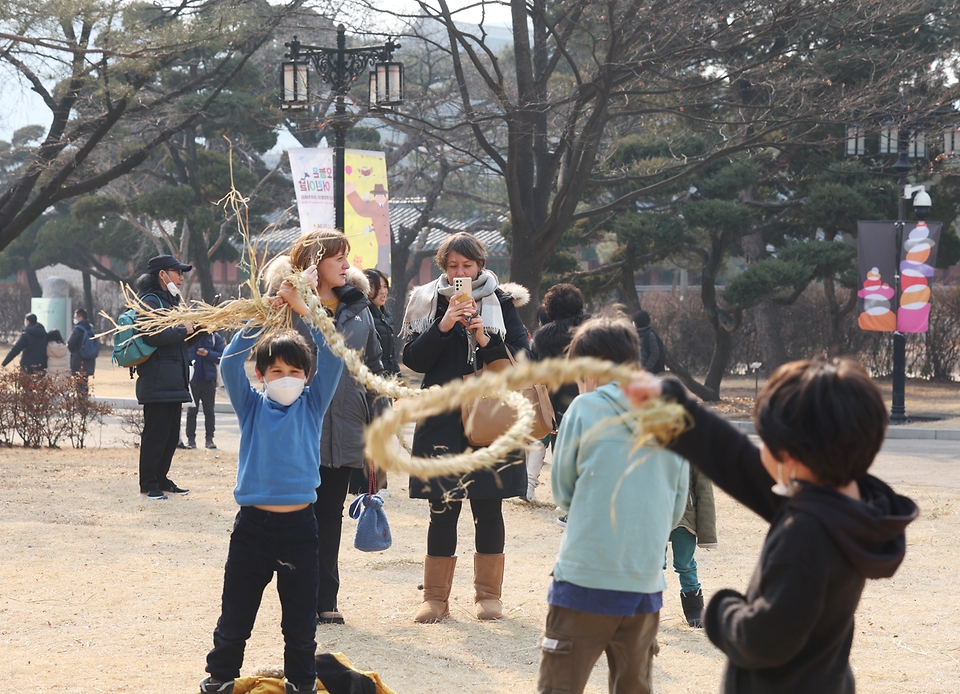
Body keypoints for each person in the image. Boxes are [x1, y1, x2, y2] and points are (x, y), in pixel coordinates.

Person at [623, 359, 919, 693]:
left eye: (764, 441)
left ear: (789, 458)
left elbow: (763, 640)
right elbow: (739, 464)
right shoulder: (848, 506)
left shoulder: (807, 536)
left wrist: (722, 609)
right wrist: (670, 406)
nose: (758, 449)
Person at [200, 270, 343, 694]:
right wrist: (262, 315)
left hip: (300, 529)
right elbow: (229, 362)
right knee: (235, 613)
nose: (285, 378)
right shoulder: (252, 407)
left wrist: (306, 311)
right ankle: (220, 678)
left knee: (299, 621)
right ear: (261, 375)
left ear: (307, 377)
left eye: (294, 371)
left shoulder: (313, 404)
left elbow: (334, 354)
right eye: (275, 370)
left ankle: (301, 684)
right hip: (252, 530)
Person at [535, 316, 689, 694]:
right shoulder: (671, 414)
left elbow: (562, 491)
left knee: (560, 686)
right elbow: (677, 503)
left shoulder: (584, 409)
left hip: (584, 580)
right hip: (644, 582)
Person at [401, 231, 530, 623]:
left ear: (480, 266)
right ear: (443, 268)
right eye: (452, 266)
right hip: (442, 417)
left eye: (467, 265)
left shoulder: (500, 302)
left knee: (488, 507)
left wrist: (483, 335)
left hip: (490, 416)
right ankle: (435, 599)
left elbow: (522, 359)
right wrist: (442, 326)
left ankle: (489, 596)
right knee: (442, 507)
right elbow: (412, 360)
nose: (460, 272)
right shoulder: (426, 300)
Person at [287, 229, 383, 627]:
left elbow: (374, 364)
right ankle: (296, 598)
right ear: (314, 262)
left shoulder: (359, 308)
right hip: (302, 428)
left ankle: (326, 599)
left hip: (346, 425)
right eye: (338, 258)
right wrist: (297, 302)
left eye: (348, 258)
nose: (348, 266)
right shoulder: (287, 305)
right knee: (296, 518)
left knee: (329, 517)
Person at [135, 254, 199, 500]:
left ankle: (161, 479)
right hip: (157, 380)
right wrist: (184, 328)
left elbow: (181, 339)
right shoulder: (150, 302)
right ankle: (147, 484)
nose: (181, 278)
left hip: (173, 380)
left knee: (171, 436)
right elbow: (151, 336)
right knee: (156, 435)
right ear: (162, 274)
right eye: (177, 272)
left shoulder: (172, 302)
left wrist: (202, 327)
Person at [527, 283, 591, 502]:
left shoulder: (541, 339)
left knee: (562, 455)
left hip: (556, 406)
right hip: (593, 402)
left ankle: (565, 500)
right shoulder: (596, 331)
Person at [667, 466, 717, 628]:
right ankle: (646, 608)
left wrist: (707, 534)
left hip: (684, 516)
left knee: (685, 564)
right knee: (652, 563)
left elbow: (705, 491)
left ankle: (694, 608)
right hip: (654, 514)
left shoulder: (691, 449)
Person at [185, 330, 226, 449]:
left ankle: (209, 439)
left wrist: (208, 354)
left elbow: (222, 356)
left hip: (209, 381)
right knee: (191, 411)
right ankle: (191, 440)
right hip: (193, 380)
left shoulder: (214, 337)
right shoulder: (190, 336)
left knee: (209, 411)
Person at [364, 268, 400, 376]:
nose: (383, 291)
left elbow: (392, 354)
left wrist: (398, 376)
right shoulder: (364, 315)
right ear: (367, 289)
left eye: (385, 286)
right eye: (378, 287)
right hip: (374, 378)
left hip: (389, 376)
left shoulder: (387, 315)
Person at [67, 308, 98, 377]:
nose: (74, 319)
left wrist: (74, 352)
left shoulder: (78, 329)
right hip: (90, 360)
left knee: (78, 383)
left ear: (80, 317)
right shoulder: (91, 328)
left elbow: (71, 343)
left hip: (78, 360)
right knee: (84, 382)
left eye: (75, 317)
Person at [632, 310, 665, 374]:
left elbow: (655, 353)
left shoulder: (649, 334)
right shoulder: (636, 335)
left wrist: (646, 369)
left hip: (650, 373)